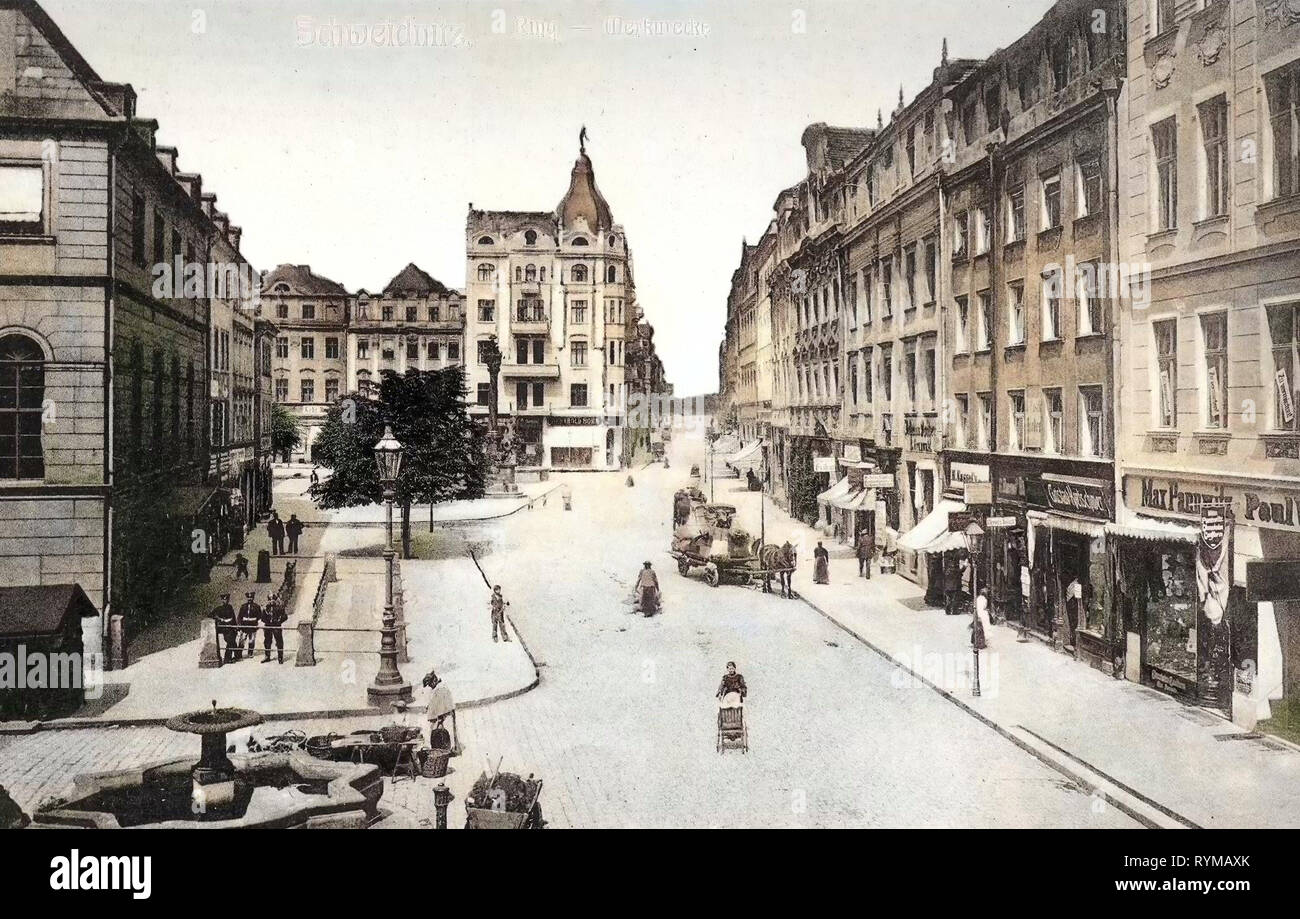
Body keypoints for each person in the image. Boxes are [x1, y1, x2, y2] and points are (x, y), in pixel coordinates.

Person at [421, 670, 460, 755]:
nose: (430, 686)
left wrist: (439, 718)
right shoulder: (435, 689)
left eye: (430, 684)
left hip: (445, 713)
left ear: (434, 680)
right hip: (439, 713)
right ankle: (436, 748)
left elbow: (443, 705)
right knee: (435, 731)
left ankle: (451, 749)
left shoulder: (441, 688)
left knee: (448, 731)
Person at [261, 591, 288, 664]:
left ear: (275, 600)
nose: (271, 601)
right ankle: (267, 656)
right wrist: (266, 620)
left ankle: (280, 657)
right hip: (268, 627)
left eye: (273, 599)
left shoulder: (279, 607)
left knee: (279, 641)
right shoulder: (266, 608)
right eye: (270, 600)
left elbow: (285, 616)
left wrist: (279, 621)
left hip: (276, 626)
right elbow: (262, 618)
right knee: (267, 641)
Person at [213, 593, 238, 664]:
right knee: (230, 641)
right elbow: (211, 615)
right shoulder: (219, 609)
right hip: (225, 629)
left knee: (232, 641)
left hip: (232, 628)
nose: (226, 601)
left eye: (227, 599)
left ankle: (237, 655)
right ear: (221, 600)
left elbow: (233, 618)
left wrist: (235, 627)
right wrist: (219, 619)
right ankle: (228, 658)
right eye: (224, 599)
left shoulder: (230, 607)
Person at [237, 591, 262, 660]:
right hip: (244, 626)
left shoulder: (257, 607)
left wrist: (258, 625)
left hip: (253, 626)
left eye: (251, 597)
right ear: (247, 598)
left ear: (253, 598)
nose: (249, 599)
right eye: (248, 597)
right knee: (242, 640)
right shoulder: (243, 606)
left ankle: (250, 653)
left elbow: (260, 617)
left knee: (252, 640)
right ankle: (239, 654)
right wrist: (239, 625)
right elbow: (239, 616)